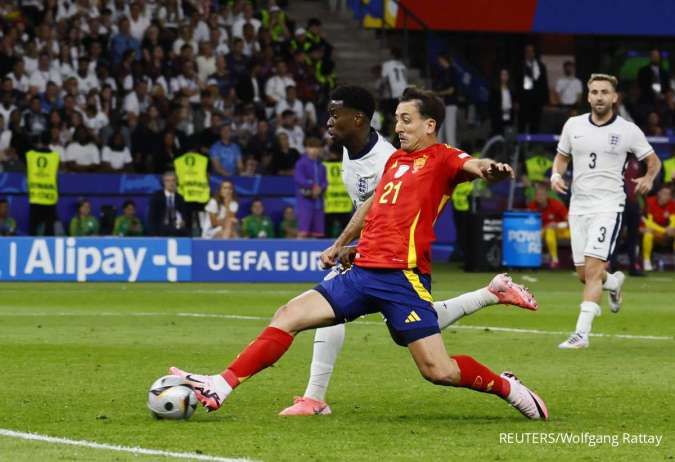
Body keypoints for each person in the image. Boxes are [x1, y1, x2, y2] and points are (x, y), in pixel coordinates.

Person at [170, 87, 548, 421]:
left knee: (438, 370)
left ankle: (508, 387)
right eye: (397, 119)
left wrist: (490, 170)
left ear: (429, 125)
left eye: (406, 120)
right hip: (363, 270)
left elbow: (473, 164)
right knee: (288, 315)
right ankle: (222, 384)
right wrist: (341, 246)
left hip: (403, 276)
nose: (398, 127)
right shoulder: (397, 161)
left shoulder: (442, 157)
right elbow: (369, 208)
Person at [551, 74, 662, 349]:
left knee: (592, 269)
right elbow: (562, 156)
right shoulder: (573, 125)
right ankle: (613, 282)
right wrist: (555, 174)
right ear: (588, 96)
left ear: (614, 97)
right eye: (595, 92)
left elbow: (653, 161)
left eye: (604, 92)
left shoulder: (628, 130)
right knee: (583, 274)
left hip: (609, 206)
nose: (599, 97)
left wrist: (648, 179)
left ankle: (581, 333)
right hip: (578, 206)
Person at [528, 182, 569, 269]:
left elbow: (570, 221)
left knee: (576, 234)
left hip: (560, 231)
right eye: (538, 195)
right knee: (548, 231)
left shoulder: (556, 204)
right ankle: (554, 260)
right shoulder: (532, 206)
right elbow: (528, 224)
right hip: (539, 232)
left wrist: (557, 225)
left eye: (542, 194)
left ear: (546, 195)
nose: (540, 197)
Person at [294, 137, 327, 238]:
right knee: (303, 231)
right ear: (306, 149)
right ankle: (299, 251)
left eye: (316, 147)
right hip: (305, 201)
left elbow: (325, 182)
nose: (314, 150)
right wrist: (313, 185)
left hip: (319, 202)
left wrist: (320, 188)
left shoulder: (322, 166)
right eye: (311, 147)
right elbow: (299, 179)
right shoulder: (301, 164)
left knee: (318, 233)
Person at [642, 185, 675, 271]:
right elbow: (649, 223)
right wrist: (664, 230)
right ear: (658, 193)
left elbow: (673, 220)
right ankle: (646, 261)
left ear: (670, 196)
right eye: (662, 193)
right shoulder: (650, 202)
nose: (664, 196)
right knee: (648, 234)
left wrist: (671, 228)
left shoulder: (672, 204)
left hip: (667, 233)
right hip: (655, 231)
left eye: (667, 194)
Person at [518, 44, 548, 134]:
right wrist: (516, 99)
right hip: (524, 100)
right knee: (522, 123)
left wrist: (545, 100)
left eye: (531, 51)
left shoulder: (540, 66)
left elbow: (544, 84)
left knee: (535, 123)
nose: (529, 53)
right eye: (527, 51)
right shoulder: (521, 65)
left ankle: (533, 145)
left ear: (534, 53)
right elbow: (517, 84)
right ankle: (521, 145)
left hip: (536, 100)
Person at [148, 171, 189, 236]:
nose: (171, 183)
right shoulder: (156, 197)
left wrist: (183, 222)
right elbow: (151, 218)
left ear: (176, 182)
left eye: (173, 180)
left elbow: (185, 216)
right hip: (160, 229)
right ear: (163, 183)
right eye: (167, 181)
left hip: (177, 229)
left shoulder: (180, 198)